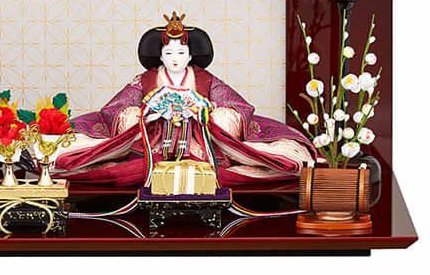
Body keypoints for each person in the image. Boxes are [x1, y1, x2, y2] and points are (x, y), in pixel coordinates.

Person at [56, 12, 316, 186]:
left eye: (181, 53)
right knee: (116, 134)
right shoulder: (146, 79)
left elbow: (238, 106)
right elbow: (116, 108)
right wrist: (148, 114)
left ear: (191, 56)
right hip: (152, 141)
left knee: (229, 122)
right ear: (160, 56)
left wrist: (206, 113)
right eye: (169, 53)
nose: (175, 58)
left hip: (200, 141)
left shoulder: (205, 80)